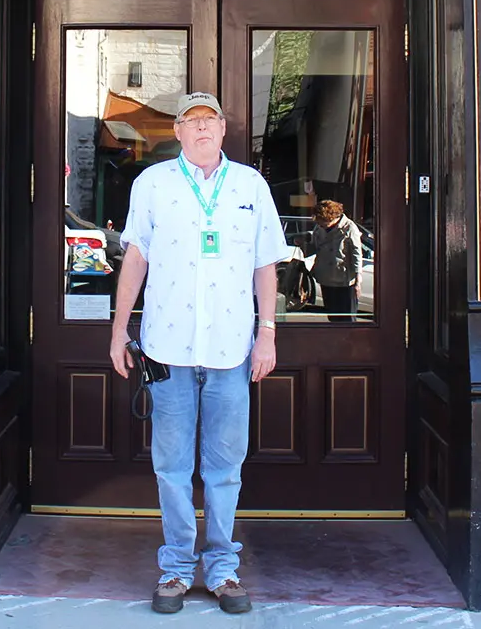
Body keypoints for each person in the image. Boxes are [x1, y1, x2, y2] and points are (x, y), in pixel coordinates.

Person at [108, 92, 287, 615]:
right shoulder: (153, 184)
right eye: (192, 122)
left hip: (232, 348)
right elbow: (136, 258)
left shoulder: (250, 186)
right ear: (179, 132)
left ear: (224, 129)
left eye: (211, 121)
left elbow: (265, 266)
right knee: (171, 465)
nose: (203, 129)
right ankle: (177, 568)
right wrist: (120, 331)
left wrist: (268, 331)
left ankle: (224, 569)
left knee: (225, 467)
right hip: (169, 346)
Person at [310, 199, 363, 321]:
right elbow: (314, 249)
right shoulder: (318, 228)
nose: (321, 225)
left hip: (344, 281)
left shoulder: (349, 228)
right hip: (326, 279)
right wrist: (304, 243)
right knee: (332, 317)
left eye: (323, 222)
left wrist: (357, 280)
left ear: (332, 218)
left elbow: (357, 255)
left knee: (347, 319)